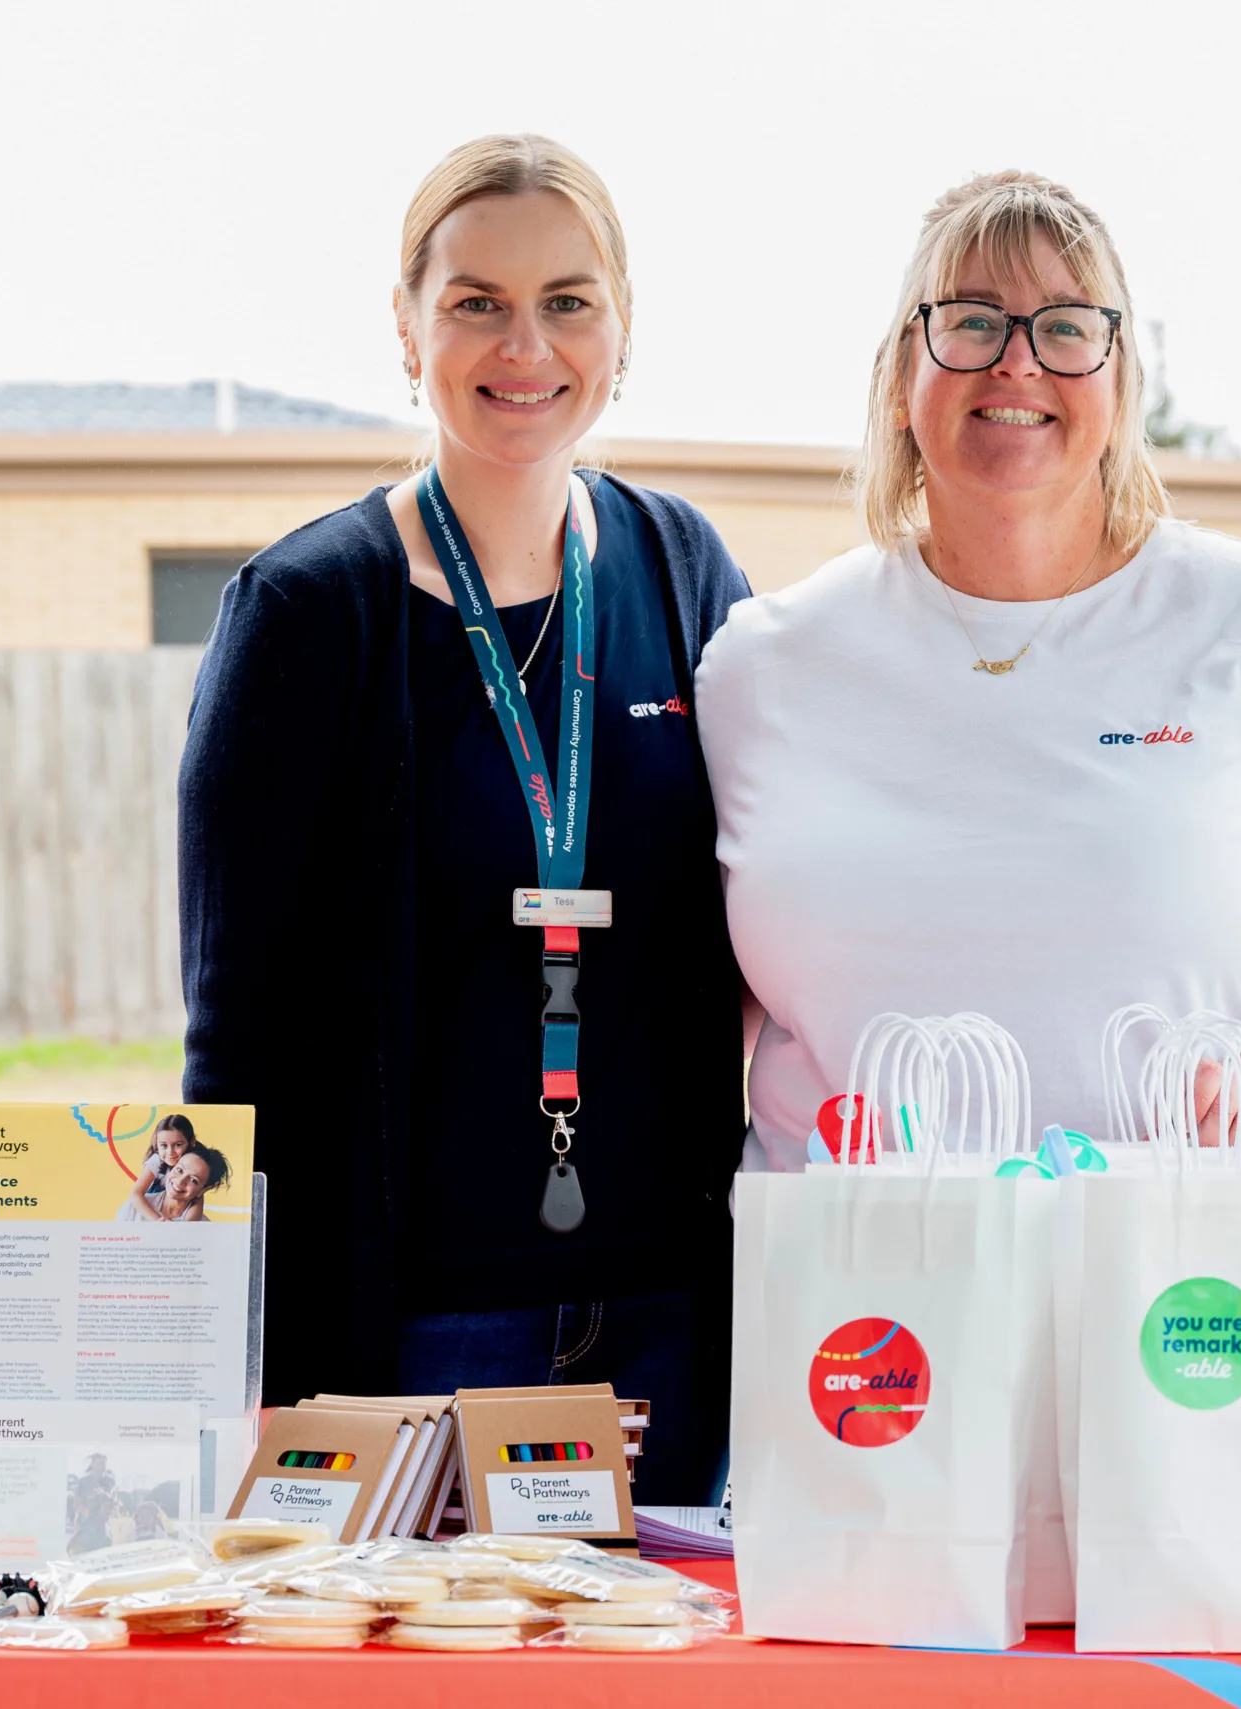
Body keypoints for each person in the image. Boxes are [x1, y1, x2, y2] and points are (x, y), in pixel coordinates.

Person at [178, 134, 749, 1505]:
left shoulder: (684, 573)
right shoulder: (311, 614)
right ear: (406, 324)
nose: (524, 344)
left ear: (621, 324)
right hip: (406, 1334)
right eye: (475, 301)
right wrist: (251, 1357)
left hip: (664, 1322)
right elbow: (236, 1028)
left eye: (568, 298)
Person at [697, 170, 1241, 1158]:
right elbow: (690, 1003)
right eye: (971, 321)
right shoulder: (762, 665)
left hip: (1196, 1276)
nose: (1017, 363)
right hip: (855, 1284)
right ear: (903, 378)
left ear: (1119, 385)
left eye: (1066, 327)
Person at [117, 1114, 197, 1221]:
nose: (170, 1152)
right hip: (152, 1211)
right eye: (164, 1146)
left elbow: (197, 1201)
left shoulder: (195, 1163)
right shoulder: (157, 1161)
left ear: (191, 1142)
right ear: (157, 1145)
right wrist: (158, 1220)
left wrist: (184, 1227)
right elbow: (136, 1193)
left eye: (178, 1145)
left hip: (178, 1213)